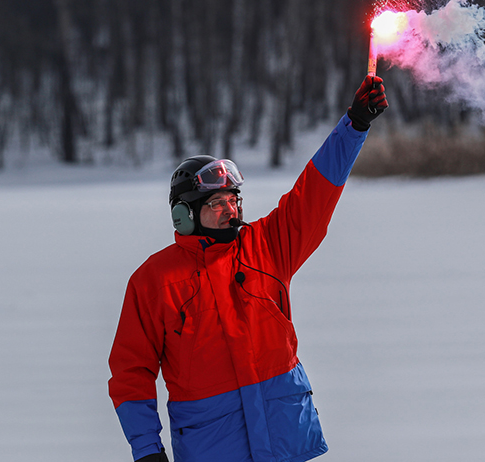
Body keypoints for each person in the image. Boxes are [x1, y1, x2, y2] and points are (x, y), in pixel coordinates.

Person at [108, 76, 388, 462]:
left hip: (285, 443)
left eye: (233, 199)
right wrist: (146, 450)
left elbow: (316, 190)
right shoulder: (154, 281)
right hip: (214, 450)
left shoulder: (268, 246)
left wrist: (354, 125)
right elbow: (130, 373)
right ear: (183, 216)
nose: (231, 210)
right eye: (216, 203)